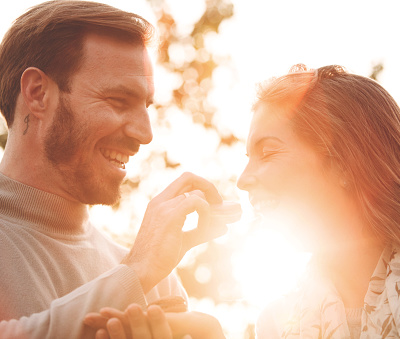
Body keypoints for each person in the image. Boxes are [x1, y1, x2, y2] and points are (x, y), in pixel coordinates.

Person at [0, 1, 230, 338]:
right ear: (37, 93)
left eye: (146, 106)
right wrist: (135, 272)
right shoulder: (142, 272)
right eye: (118, 101)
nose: (145, 134)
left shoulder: (158, 282)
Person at [234, 64, 400, 338]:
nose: (242, 180)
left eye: (268, 153)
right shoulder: (275, 324)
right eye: (248, 159)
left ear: (343, 163)